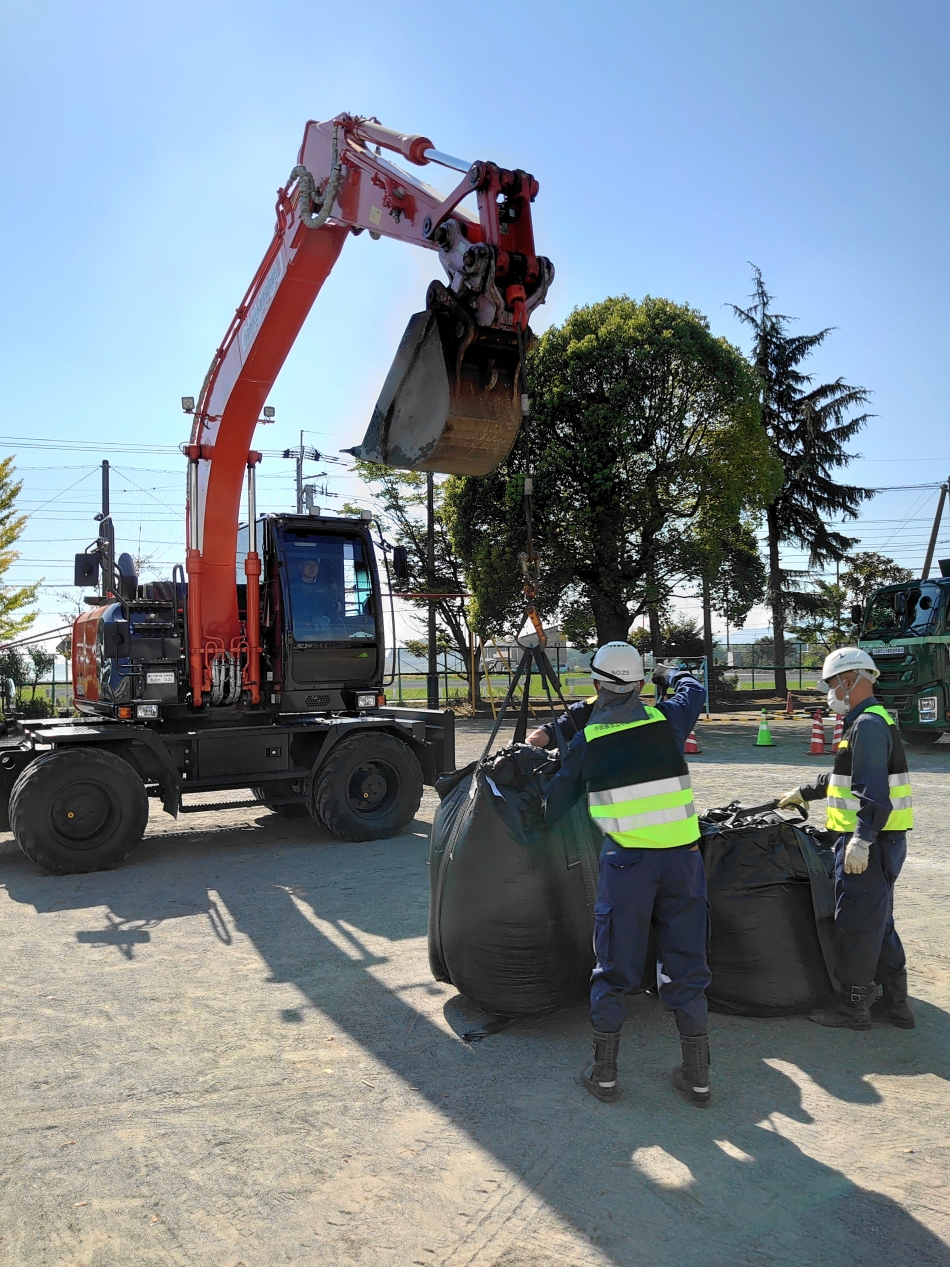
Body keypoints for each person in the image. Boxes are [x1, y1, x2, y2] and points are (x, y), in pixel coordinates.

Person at [541, 641, 711, 1106]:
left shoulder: (588, 744)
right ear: (639, 683)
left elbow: (552, 805)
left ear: (596, 685)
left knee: (615, 967)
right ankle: (698, 1077)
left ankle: (606, 1075)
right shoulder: (668, 720)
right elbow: (691, 688)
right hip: (684, 862)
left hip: (628, 863)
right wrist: (669, 674)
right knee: (687, 965)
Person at [778, 646, 914, 1031]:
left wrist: (862, 841)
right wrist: (805, 791)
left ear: (850, 680)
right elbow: (845, 779)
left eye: (833, 683)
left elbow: (873, 791)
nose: (831, 692)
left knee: (856, 923)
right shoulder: (869, 721)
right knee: (878, 919)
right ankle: (897, 1004)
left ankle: (852, 1008)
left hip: (868, 842)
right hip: (883, 842)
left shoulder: (867, 725)